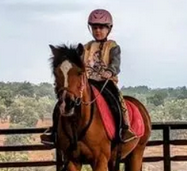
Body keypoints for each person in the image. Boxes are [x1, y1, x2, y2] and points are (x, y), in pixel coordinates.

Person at [41, 9, 137, 146]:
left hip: (105, 82)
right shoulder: (85, 47)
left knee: (117, 100)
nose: (98, 31)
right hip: (87, 82)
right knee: (62, 102)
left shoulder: (113, 46)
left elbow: (115, 64)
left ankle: (124, 128)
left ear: (109, 29)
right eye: (95, 27)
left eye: (102, 27)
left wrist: (110, 72)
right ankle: (55, 132)